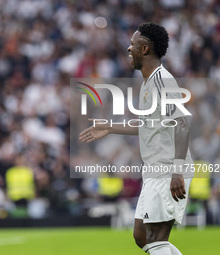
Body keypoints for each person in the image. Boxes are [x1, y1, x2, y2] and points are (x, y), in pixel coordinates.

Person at [79, 23, 193, 255]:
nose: (128, 48)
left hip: (166, 167)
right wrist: (110, 127)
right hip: (155, 169)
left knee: (154, 237)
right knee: (142, 236)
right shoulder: (149, 83)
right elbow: (148, 125)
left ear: (144, 50)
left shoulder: (162, 81)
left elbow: (181, 124)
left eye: (133, 44)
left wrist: (177, 170)